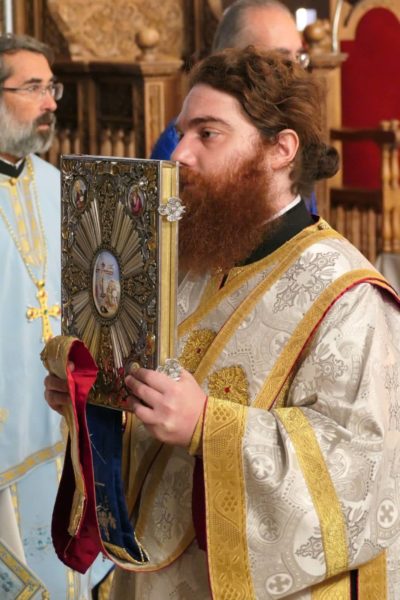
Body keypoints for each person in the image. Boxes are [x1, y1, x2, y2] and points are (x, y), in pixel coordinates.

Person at [44, 47, 400, 599]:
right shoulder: (188, 260)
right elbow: (149, 419)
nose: (179, 153)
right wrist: (94, 399)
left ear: (281, 149)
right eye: (182, 132)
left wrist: (209, 426)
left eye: (207, 134)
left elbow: (361, 479)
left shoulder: (348, 297)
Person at [0, 33, 110, 598]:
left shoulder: (63, 187)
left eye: (52, 88)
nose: (50, 103)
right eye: (33, 88)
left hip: (61, 423)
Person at [151, 0, 317, 214]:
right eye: (280, 59)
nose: (296, 70)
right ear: (233, 60)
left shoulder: (286, 133)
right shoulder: (174, 145)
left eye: (299, 57)